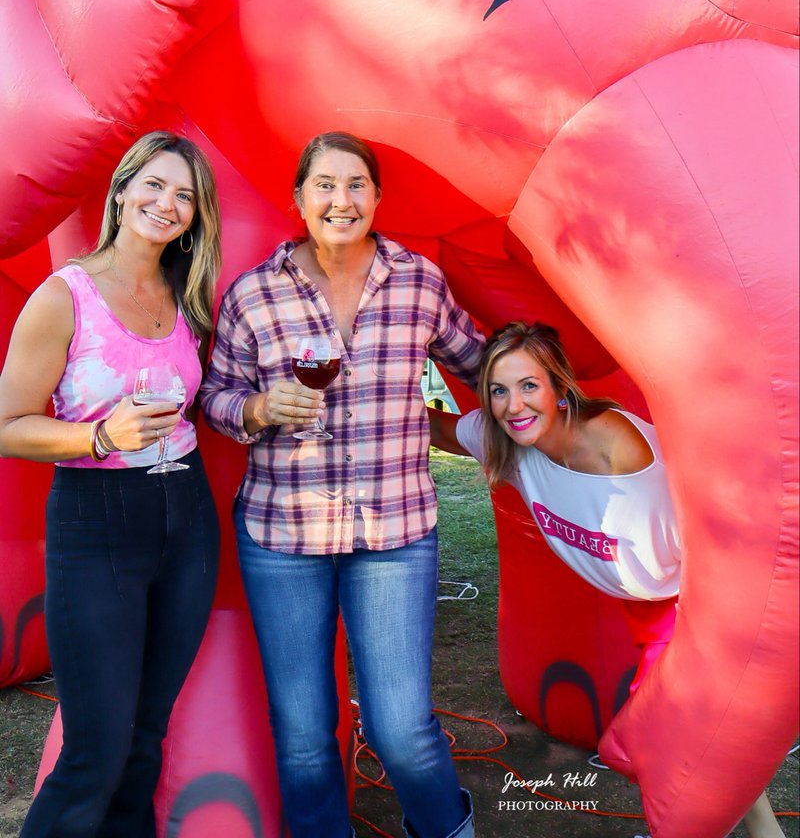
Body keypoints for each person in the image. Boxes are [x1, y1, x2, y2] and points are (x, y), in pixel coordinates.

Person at [200, 130, 484, 838]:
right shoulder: (253, 294)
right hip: (282, 536)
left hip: (395, 532)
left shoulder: (418, 281)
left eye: (356, 184)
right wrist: (257, 408)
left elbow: (479, 363)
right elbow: (214, 396)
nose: (341, 200)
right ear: (299, 200)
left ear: (377, 198)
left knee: (402, 730)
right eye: (324, 185)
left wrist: (546, 392)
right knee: (302, 735)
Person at [429, 320, 784, 838]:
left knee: (667, 742)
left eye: (529, 386)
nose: (514, 405)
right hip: (647, 611)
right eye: (499, 391)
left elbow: (722, 506)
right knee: (698, 746)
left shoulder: (617, 444)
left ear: (559, 387)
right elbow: (439, 430)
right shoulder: (503, 439)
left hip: (699, 607)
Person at [0, 131, 222, 838]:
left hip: (186, 518)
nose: (167, 204)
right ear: (122, 191)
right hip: (95, 524)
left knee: (146, 737)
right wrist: (100, 436)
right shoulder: (63, 296)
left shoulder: (187, 292)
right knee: (94, 753)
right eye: (154, 185)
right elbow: (7, 424)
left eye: (185, 195)